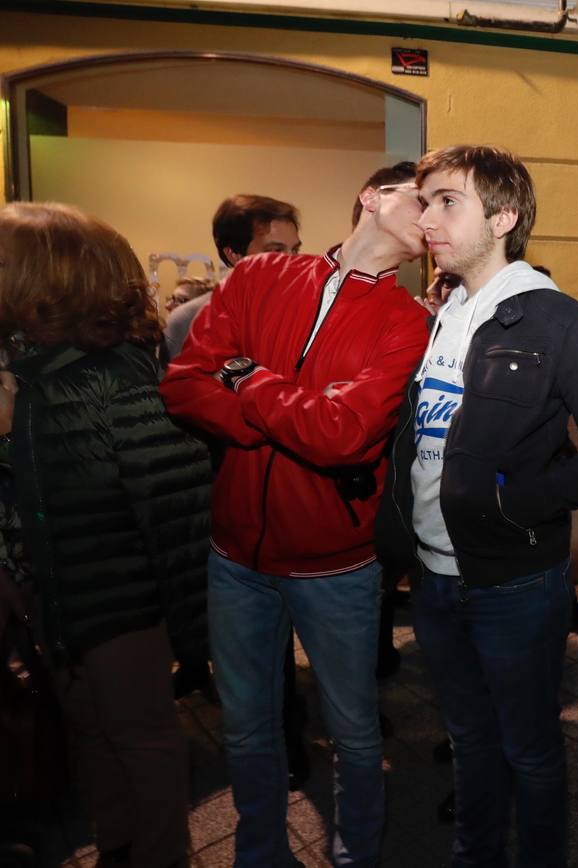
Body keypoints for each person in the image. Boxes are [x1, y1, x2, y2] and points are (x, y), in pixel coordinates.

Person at [375, 144, 578, 868]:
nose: (426, 217)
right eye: (424, 200)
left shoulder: (553, 321)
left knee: (528, 748)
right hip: (434, 581)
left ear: (503, 217)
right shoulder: (445, 315)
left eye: (446, 201)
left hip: (515, 582)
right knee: (468, 739)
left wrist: (515, 503)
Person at [161, 165, 431, 867]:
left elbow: (343, 434)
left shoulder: (408, 322)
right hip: (235, 558)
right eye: (419, 198)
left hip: (335, 563)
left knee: (354, 731)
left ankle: (358, 853)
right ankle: (260, 854)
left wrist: (246, 377)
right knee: (248, 731)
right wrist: (280, 420)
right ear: (371, 198)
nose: (430, 216)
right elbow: (184, 386)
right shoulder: (256, 279)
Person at [0, 202, 212, 868]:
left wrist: (195, 634)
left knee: (142, 737)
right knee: (92, 729)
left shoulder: (112, 377)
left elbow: (176, 510)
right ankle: (118, 845)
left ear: (50, 279)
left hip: (125, 602)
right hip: (65, 596)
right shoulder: (37, 373)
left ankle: (157, 856)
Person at [161, 194, 301, 362]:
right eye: (275, 251)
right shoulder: (187, 321)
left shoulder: (307, 315)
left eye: (294, 250)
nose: (291, 262)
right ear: (234, 254)